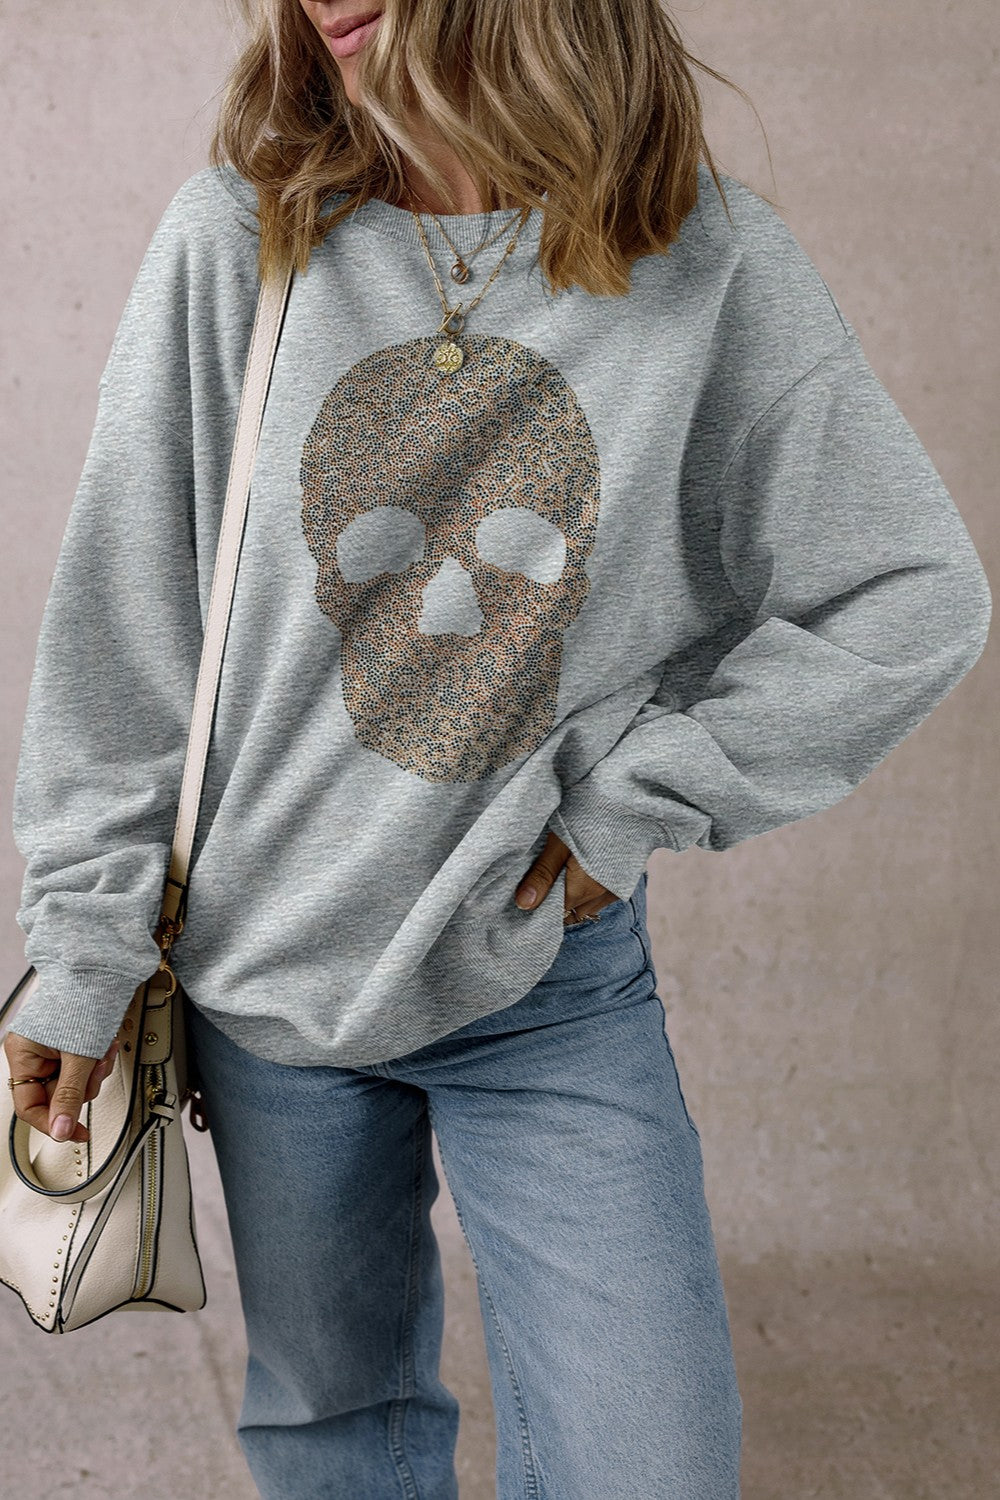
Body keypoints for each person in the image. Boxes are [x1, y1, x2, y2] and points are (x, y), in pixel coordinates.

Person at [3, 1, 991, 1495]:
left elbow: (909, 591)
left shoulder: (706, 265)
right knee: (335, 1428)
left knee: (647, 1461)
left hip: (545, 977)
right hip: (268, 975)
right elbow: (122, 634)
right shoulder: (237, 243)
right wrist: (82, 951)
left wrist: (633, 806)